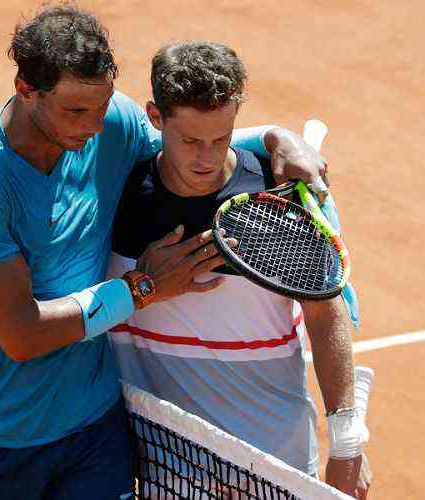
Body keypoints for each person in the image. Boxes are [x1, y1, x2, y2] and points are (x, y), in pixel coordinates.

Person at [0, 5, 328, 499]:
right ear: (27, 89)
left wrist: (274, 137)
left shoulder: (108, 123)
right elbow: (22, 334)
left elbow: (186, 140)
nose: (94, 126)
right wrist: (142, 288)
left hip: (94, 431)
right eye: (75, 111)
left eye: (101, 107)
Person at [108, 41, 370, 498]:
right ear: (155, 117)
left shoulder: (277, 198)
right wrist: (146, 286)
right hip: (170, 462)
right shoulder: (119, 198)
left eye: (221, 138)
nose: (206, 159)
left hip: (276, 461)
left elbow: (324, 316)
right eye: (190, 141)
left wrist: (348, 444)